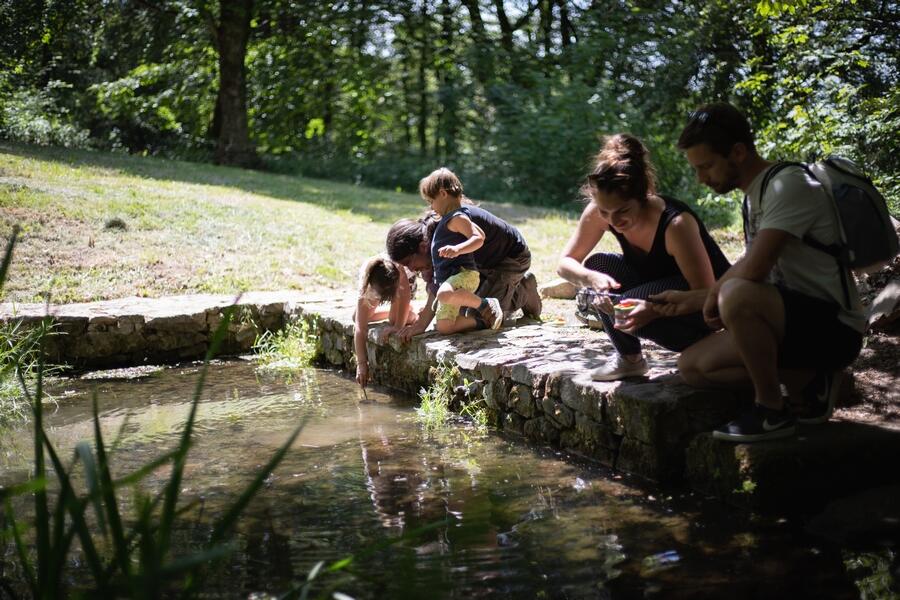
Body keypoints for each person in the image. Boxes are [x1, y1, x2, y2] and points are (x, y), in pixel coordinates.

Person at [654, 102, 865, 442]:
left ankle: (771, 410)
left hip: (834, 328)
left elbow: (755, 268)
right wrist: (691, 301)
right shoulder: (754, 196)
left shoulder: (789, 184)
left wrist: (713, 296)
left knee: (736, 295)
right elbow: (757, 270)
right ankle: (807, 381)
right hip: (790, 320)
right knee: (693, 367)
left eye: (706, 166)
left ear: (737, 152)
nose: (700, 178)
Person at [557, 133, 731, 381]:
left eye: (623, 211)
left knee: (625, 305)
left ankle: (707, 343)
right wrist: (591, 279)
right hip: (658, 289)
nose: (614, 222)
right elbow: (565, 263)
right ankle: (630, 360)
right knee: (599, 265)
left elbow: (705, 293)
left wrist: (653, 310)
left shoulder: (676, 224)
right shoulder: (600, 211)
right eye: (605, 212)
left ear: (643, 197)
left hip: (707, 307)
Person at [386, 174, 542, 340]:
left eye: (408, 262)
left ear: (422, 247)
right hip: (479, 264)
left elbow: (478, 237)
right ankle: (509, 289)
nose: (411, 269)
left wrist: (421, 324)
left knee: (488, 316)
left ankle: (523, 289)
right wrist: (420, 325)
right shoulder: (432, 242)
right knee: (458, 314)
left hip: (510, 258)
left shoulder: (449, 229)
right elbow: (436, 285)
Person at [414, 167, 505, 335]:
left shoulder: (457, 217)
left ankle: (486, 304)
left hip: (464, 274)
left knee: (444, 294)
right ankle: (484, 322)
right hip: (450, 279)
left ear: (442, 193)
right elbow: (481, 233)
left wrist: (458, 249)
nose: (431, 207)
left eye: (431, 201)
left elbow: (478, 238)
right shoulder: (456, 216)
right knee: (445, 327)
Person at [353, 256, 419, 387]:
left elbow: (404, 295)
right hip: (383, 285)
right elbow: (360, 328)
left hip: (404, 284)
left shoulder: (398, 269)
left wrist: (398, 326)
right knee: (356, 317)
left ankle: (411, 315)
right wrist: (361, 364)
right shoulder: (367, 283)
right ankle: (395, 313)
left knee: (394, 319)